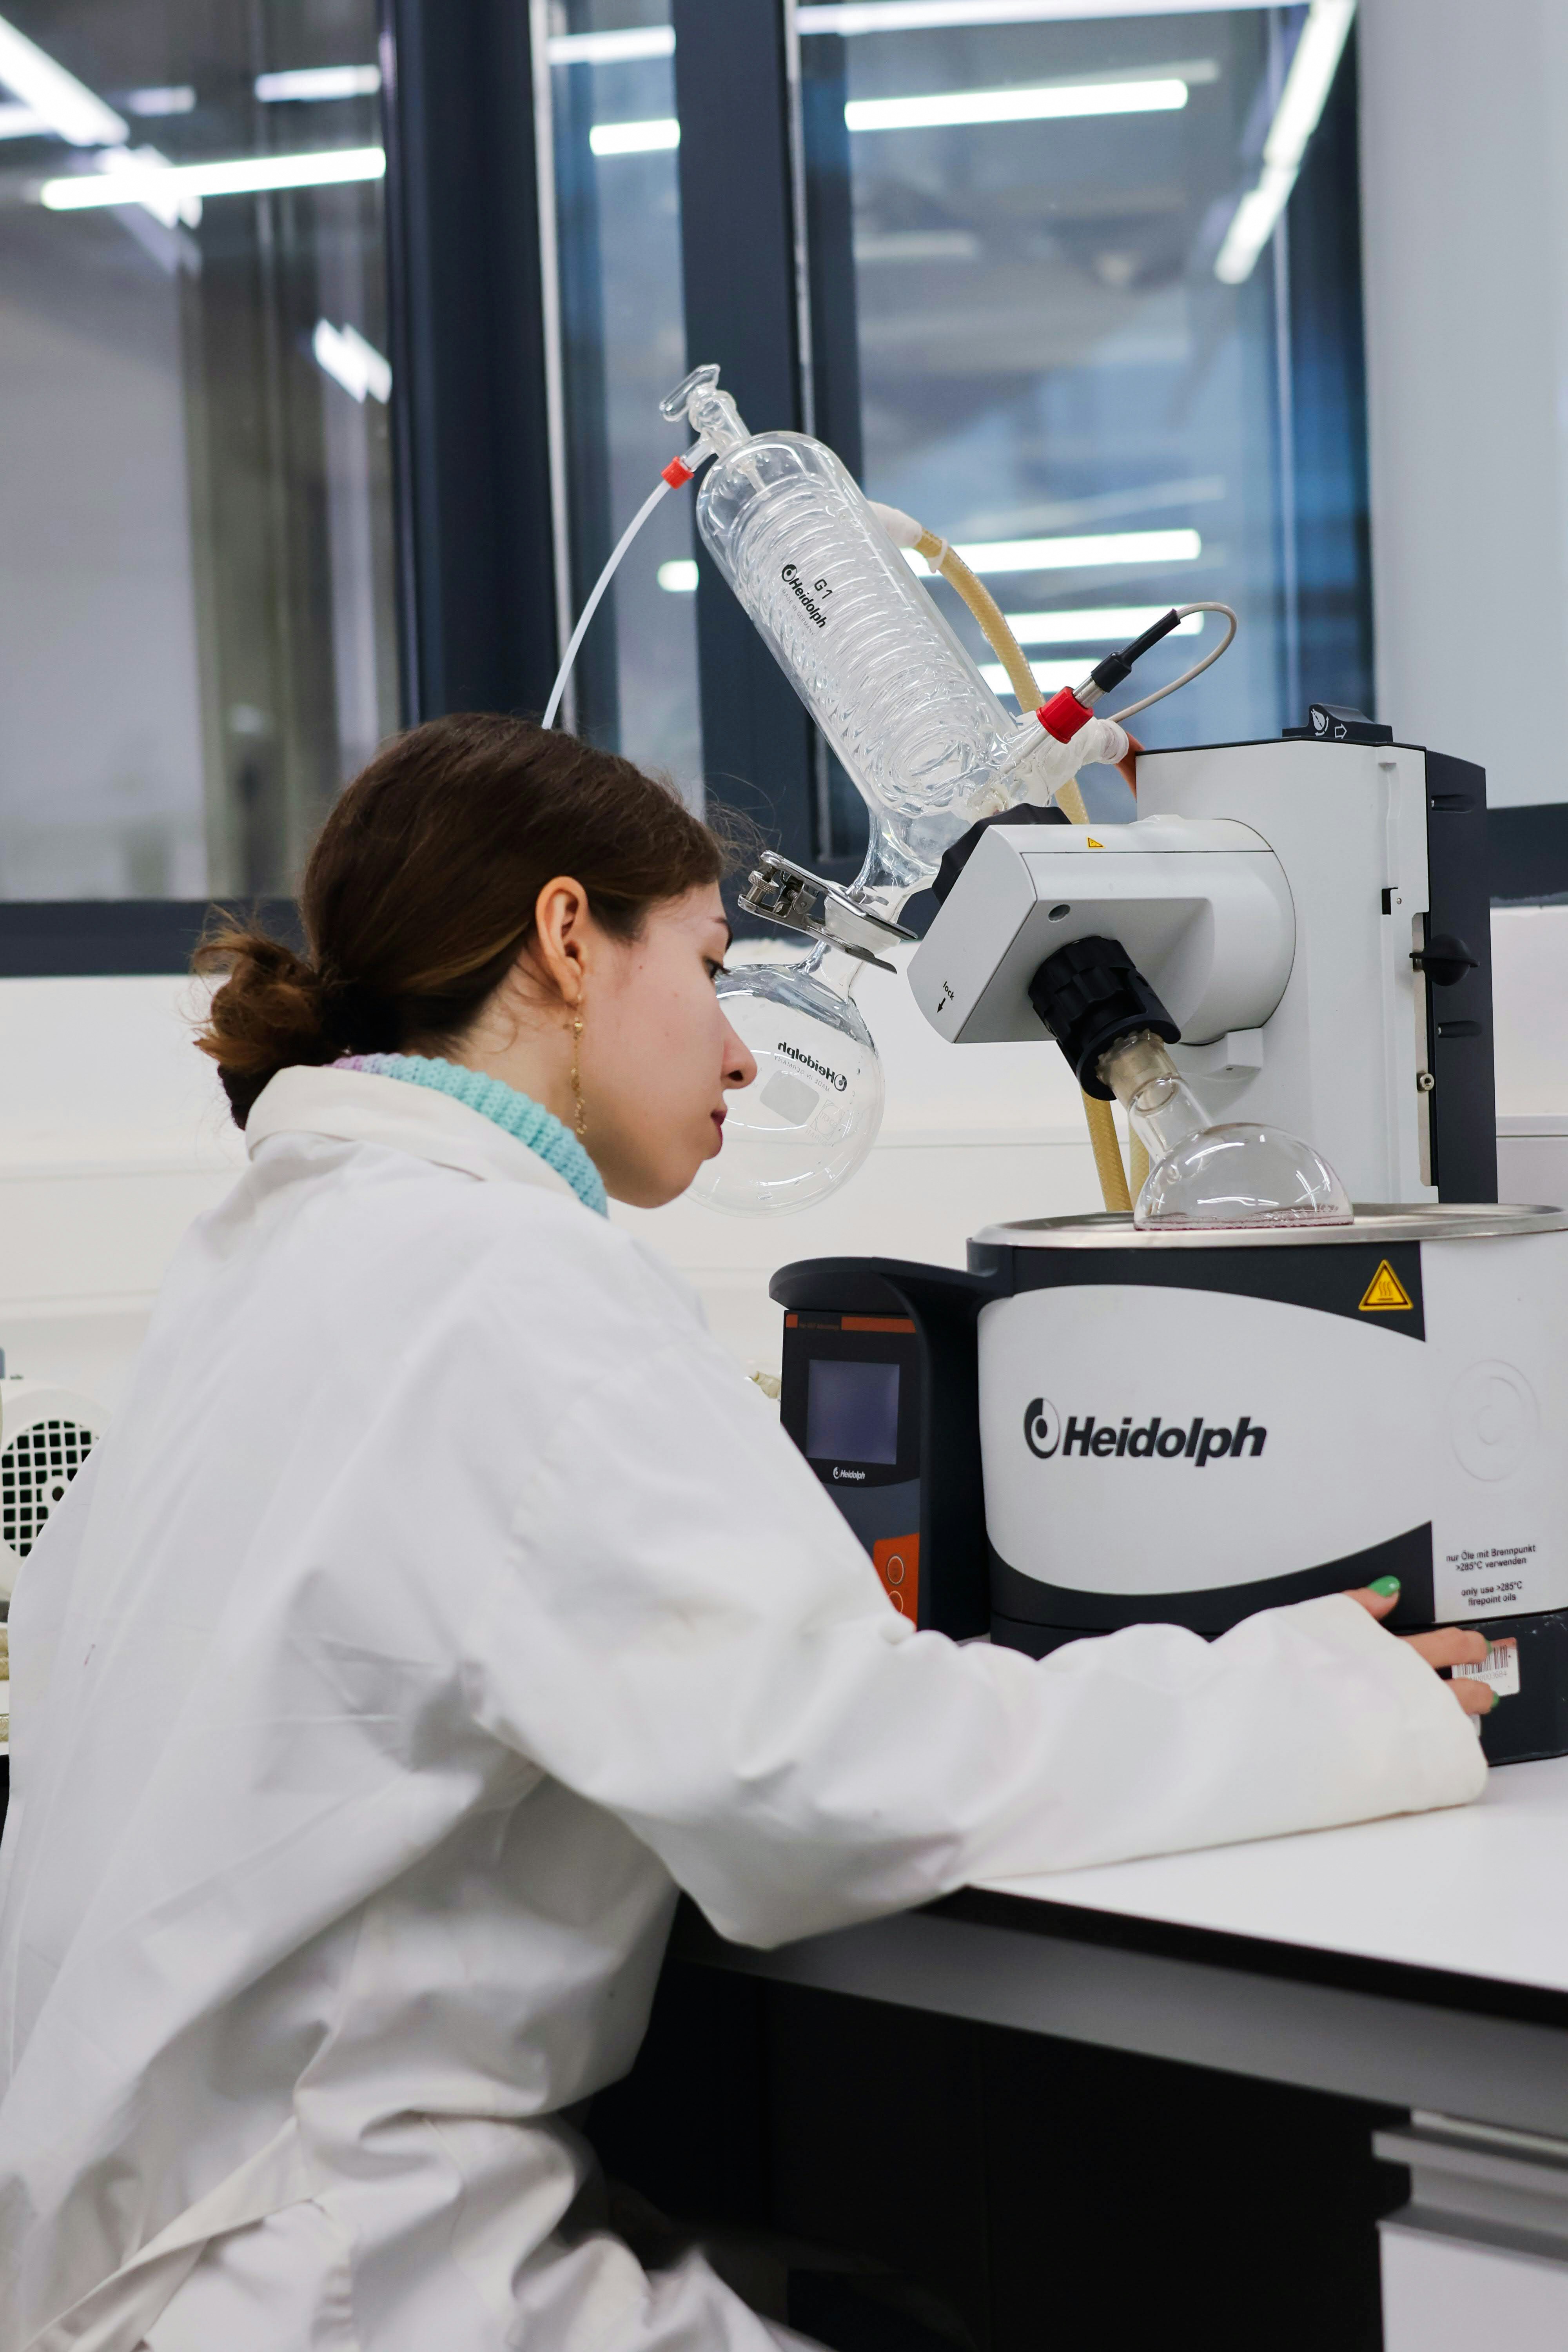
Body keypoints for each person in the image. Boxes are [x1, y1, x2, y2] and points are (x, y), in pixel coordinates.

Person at [0, 716, 1489, 2352]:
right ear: (569, 939)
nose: (739, 1052)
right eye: (708, 968)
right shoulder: (506, 1286)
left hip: (142, 2252)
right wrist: (1328, 1696)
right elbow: (832, 1779)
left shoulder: (265, 1264)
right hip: (338, 2286)